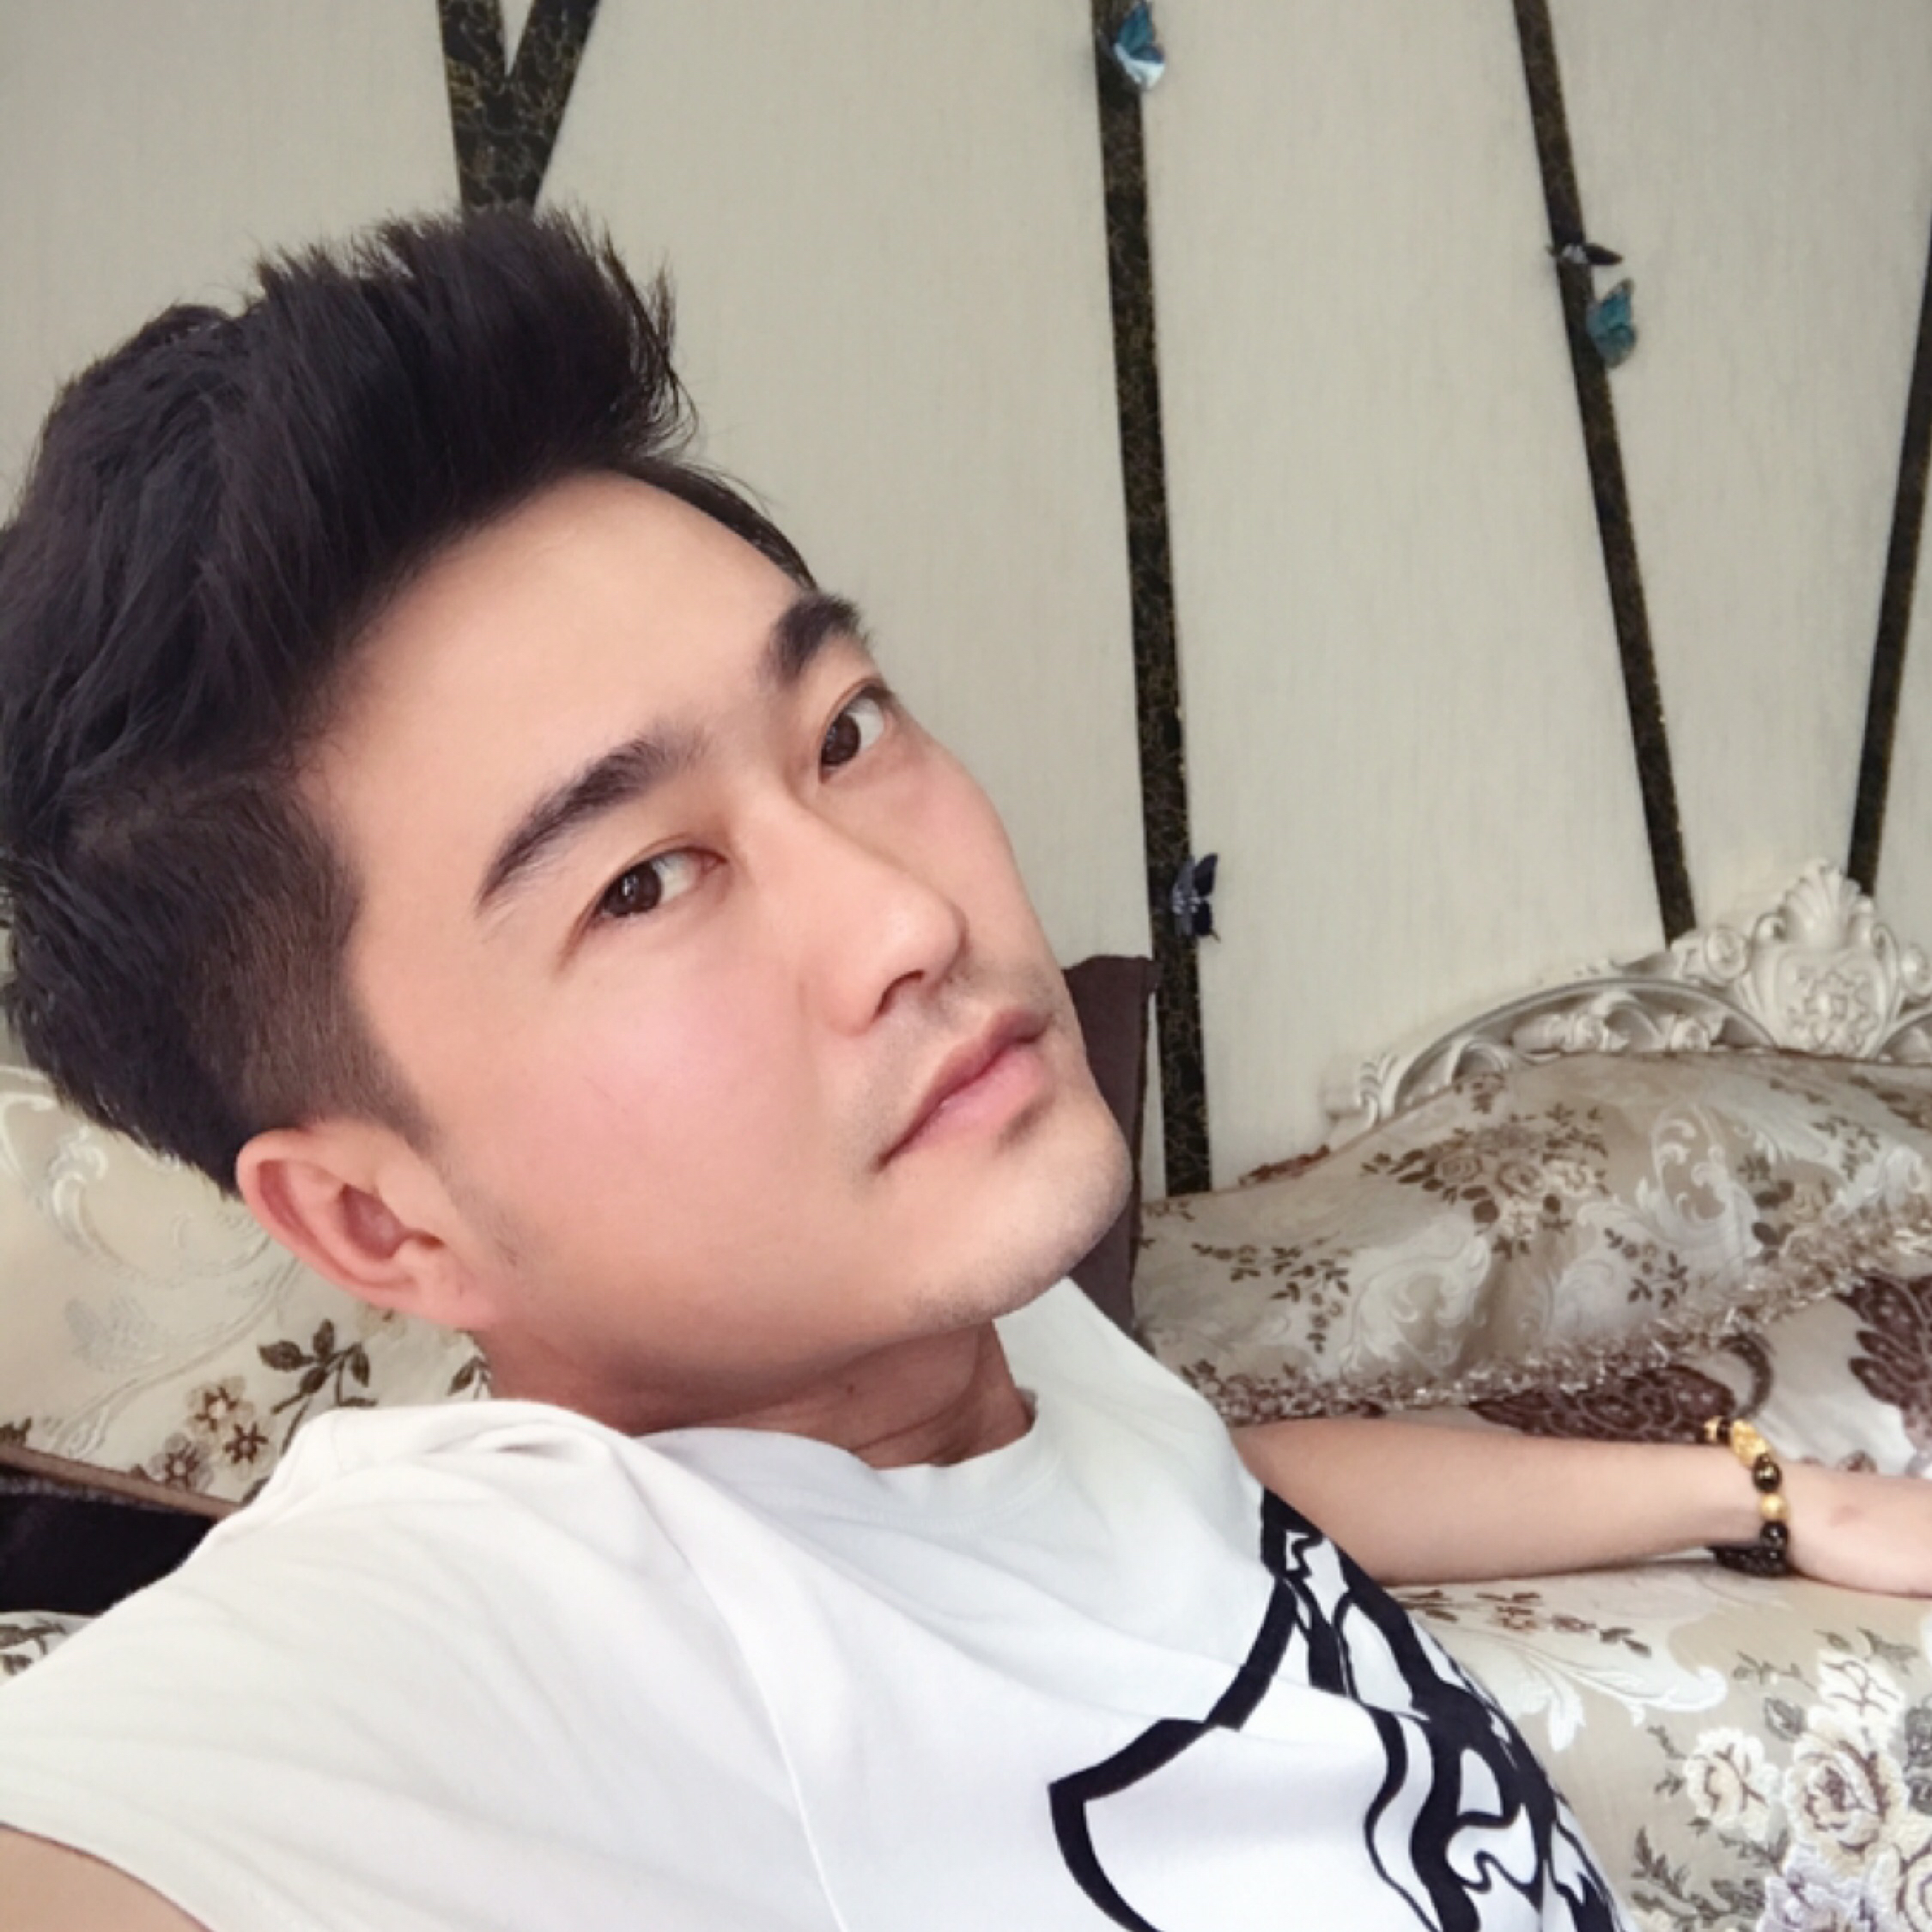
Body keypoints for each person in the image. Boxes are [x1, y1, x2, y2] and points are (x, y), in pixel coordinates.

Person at [0, 210, 1927, 1932]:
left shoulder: (951, 1339)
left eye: (844, 731)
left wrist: (1758, 1489)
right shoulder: (544, 1633)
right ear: (374, 1219)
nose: (908, 914)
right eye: (644, 882)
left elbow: (1199, 1498)